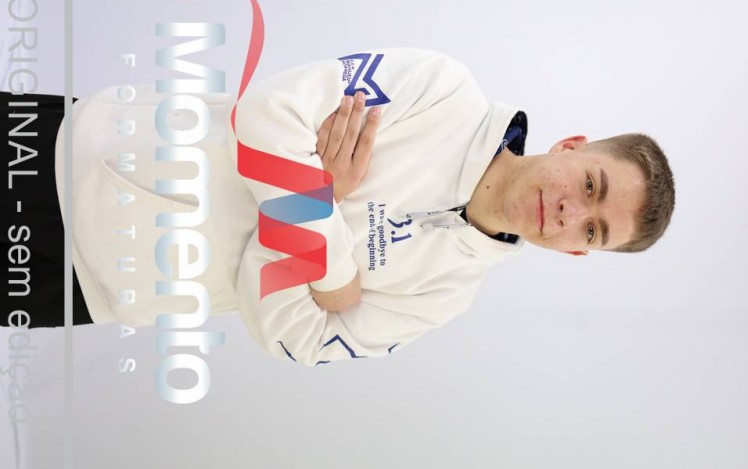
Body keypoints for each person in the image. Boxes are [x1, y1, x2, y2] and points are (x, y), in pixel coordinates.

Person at [3, 49, 674, 366]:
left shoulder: (444, 294)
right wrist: (330, 272)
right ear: (573, 145)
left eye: (592, 230)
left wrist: (321, 201)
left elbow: (289, 336)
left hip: (83, 285)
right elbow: (267, 115)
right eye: (591, 186)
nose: (569, 213)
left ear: (578, 251)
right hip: (74, 149)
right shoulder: (445, 92)